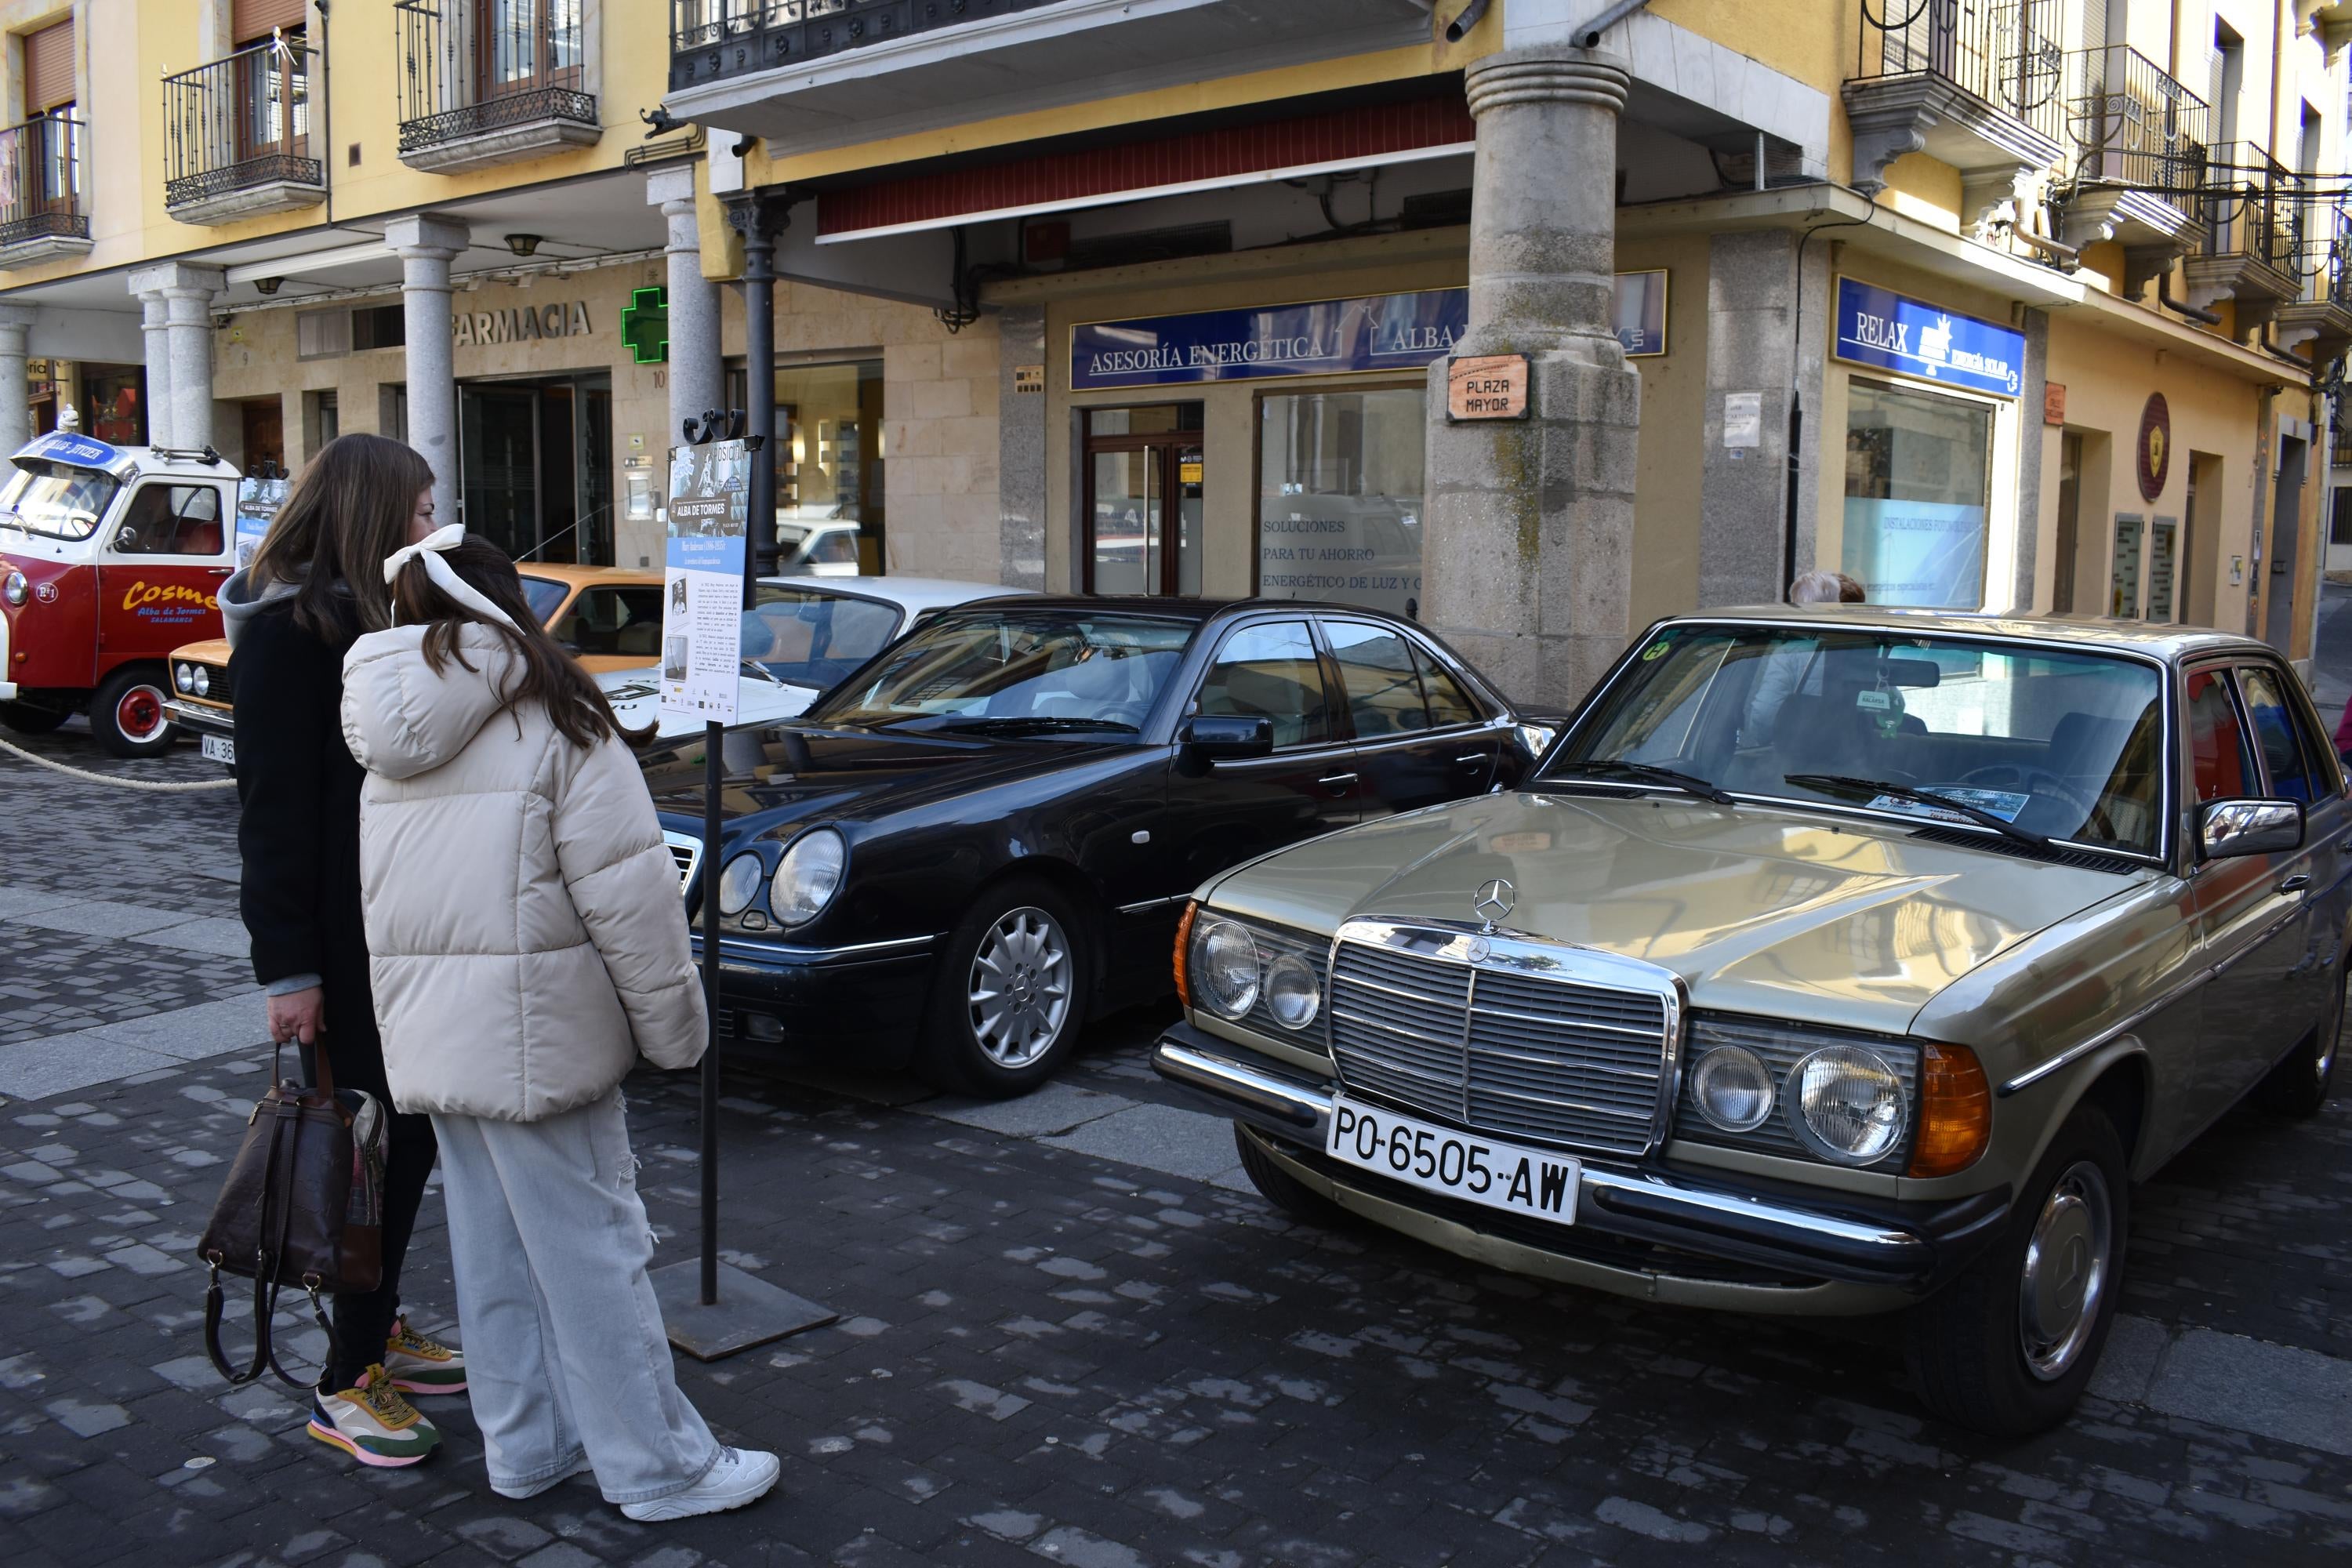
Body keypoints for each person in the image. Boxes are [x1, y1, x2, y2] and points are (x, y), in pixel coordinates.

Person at [339, 528, 779, 1522]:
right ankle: (658, 1466)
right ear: (509, 606)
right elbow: (634, 905)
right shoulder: (557, 722)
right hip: (544, 1039)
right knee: (596, 1253)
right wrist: (677, 1036)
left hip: (439, 1041)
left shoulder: (389, 735)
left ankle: (527, 1447)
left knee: (491, 1255)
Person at [227, 433, 463, 1468]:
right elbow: (272, 814)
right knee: (370, 1160)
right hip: (342, 952)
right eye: (418, 511)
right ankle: (344, 1381)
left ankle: (379, 1329)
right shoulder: (289, 635)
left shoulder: (373, 619)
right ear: (371, 514)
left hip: (398, 940)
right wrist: (289, 973)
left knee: (405, 1148)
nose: (431, 527)